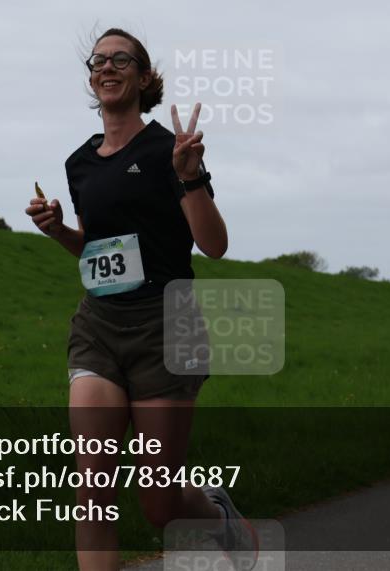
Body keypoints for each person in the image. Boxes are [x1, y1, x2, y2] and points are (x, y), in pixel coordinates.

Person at [25, 28, 256, 570]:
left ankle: (220, 517)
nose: (107, 67)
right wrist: (58, 229)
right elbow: (94, 249)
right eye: (98, 60)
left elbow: (214, 246)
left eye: (120, 58)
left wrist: (190, 175)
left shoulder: (167, 150)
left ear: (144, 76)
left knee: (160, 506)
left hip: (165, 326)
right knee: (93, 496)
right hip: (99, 326)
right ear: (90, 77)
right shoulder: (79, 164)